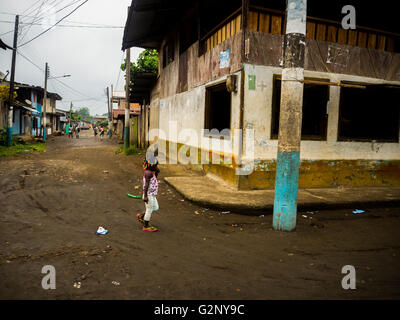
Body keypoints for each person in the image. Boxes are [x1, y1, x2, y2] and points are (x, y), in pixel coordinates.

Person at [137, 157, 160, 232]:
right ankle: (146, 226)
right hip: (149, 195)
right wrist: (146, 196)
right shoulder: (148, 173)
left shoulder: (152, 172)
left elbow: (154, 179)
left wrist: (156, 171)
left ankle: (141, 216)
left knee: (155, 207)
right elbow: (146, 185)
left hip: (152, 194)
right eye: (155, 165)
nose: (156, 167)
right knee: (149, 210)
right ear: (150, 165)